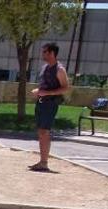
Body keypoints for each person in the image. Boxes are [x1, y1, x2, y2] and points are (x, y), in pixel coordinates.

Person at [29, 42, 70, 172]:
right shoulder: (45, 68)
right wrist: (38, 90)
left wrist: (47, 93)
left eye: (45, 52)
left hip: (50, 103)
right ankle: (42, 161)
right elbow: (45, 84)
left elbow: (65, 88)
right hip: (41, 102)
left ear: (52, 53)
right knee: (41, 131)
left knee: (44, 131)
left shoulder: (60, 70)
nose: (43, 54)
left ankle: (44, 162)